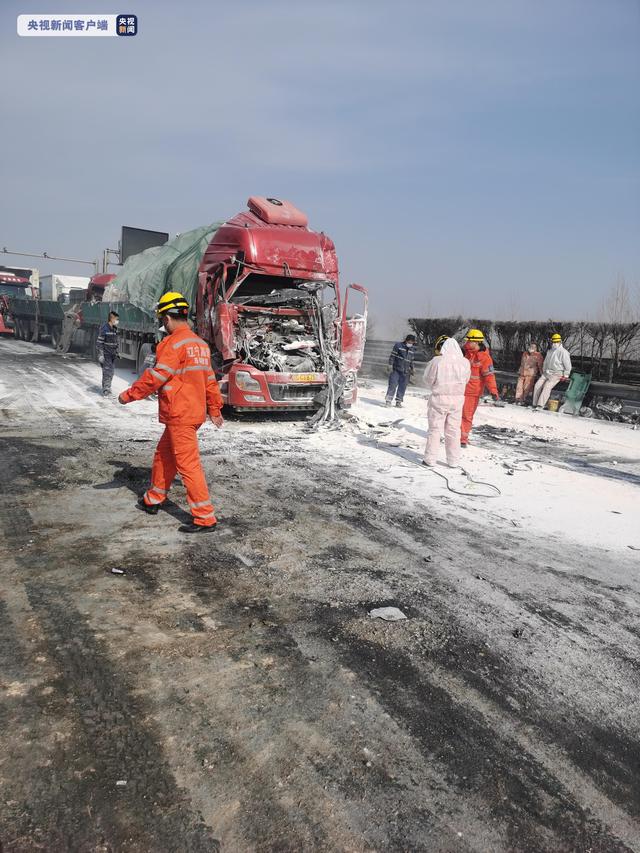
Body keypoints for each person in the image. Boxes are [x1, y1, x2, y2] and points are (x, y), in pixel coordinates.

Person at [118, 292, 224, 534]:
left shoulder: (171, 345)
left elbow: (155, 378)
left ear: (166, 318)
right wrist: (214, 408)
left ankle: (205, 518)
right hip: (192, 414)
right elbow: (210, 380)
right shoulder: (200, 345)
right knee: (164, 456)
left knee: (188, 465)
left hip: (180, 415)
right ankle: (153, 499)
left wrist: (128, 395)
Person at [422, 336, 471, 468]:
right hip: (457, 401)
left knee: (435, 429)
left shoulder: (437, 361)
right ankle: (453, 461)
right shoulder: (465, 362)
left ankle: (430, 459)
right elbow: (466, 380)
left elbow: (428, 379)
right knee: (454, 430)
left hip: (439, 399)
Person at [461, 328, 500, 447]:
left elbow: (489, 376)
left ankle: (463, 438)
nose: (466, 343)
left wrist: (493, 391)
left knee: (466, 415)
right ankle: (453, 435)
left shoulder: (484, 358)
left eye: (469, 341)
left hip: (472, 392)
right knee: (455, 414)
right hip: (460, 389)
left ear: (476, 342)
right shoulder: (465, 353)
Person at [532, 333, 572, 410]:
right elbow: (546, 362)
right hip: (547, 373)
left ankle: (540, 405)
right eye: (553, 342)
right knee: (537, 385)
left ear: (560, 342)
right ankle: (534, 404)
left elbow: (568, 365)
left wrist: (566, 375)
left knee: (547, 387)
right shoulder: (550, 351)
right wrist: (544, 371)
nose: (554, 344)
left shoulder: (564, 352)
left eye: (556, 342)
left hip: (557, 374)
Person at [385, 334, 416, 408]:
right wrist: (390, 364)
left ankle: (398, 402)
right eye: (409, 342)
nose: (410, 344)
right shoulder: (398, 345)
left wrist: (413, 368)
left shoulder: (412, 349)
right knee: (393, 385)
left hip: (406, 371)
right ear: (406, 340)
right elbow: (393, 355)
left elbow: (411, 360)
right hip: (396, 369)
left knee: (402, 387)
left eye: (412, 342)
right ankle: (388, 401)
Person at [96, 311, 120, 396]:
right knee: (107, 372)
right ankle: (106, 389)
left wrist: (117, 352)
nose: (117, 321)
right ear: (112, 319)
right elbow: (99, 342)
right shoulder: (104, 328)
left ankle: (107, 387)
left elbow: (115, 342)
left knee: (111, 372)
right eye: (117, 319)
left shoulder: (115, 329)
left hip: (112, 355)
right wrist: (101, 355)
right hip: (106, 354)